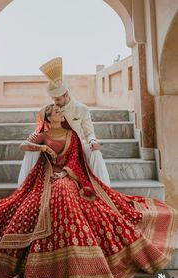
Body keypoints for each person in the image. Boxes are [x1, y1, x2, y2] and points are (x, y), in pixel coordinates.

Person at [0, 104, 178, 278]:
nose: (60, 113)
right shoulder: (42, 135)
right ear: (47, 116)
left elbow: (74, 161)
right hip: (43, 180)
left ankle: (73, 255)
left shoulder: (71, 135)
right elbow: (23, 145)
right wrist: (43, 149)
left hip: (69, 177)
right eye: (55, 111)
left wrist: (64, 173)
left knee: (64, 192)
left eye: (60, 111)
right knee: (29, 207)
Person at [17, 57, 110, 188]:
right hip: (55, 147)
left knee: (95, 153)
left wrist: (93, 141)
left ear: (66, 95)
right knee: (31, 150)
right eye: (53, 99)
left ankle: (103, 188)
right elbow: (42, 129)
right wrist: (37, 139)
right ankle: (26, 187)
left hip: (76, 147)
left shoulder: (81, 109)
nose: (55, 102)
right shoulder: (51, 110)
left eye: (58, 99)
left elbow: (89, 133)